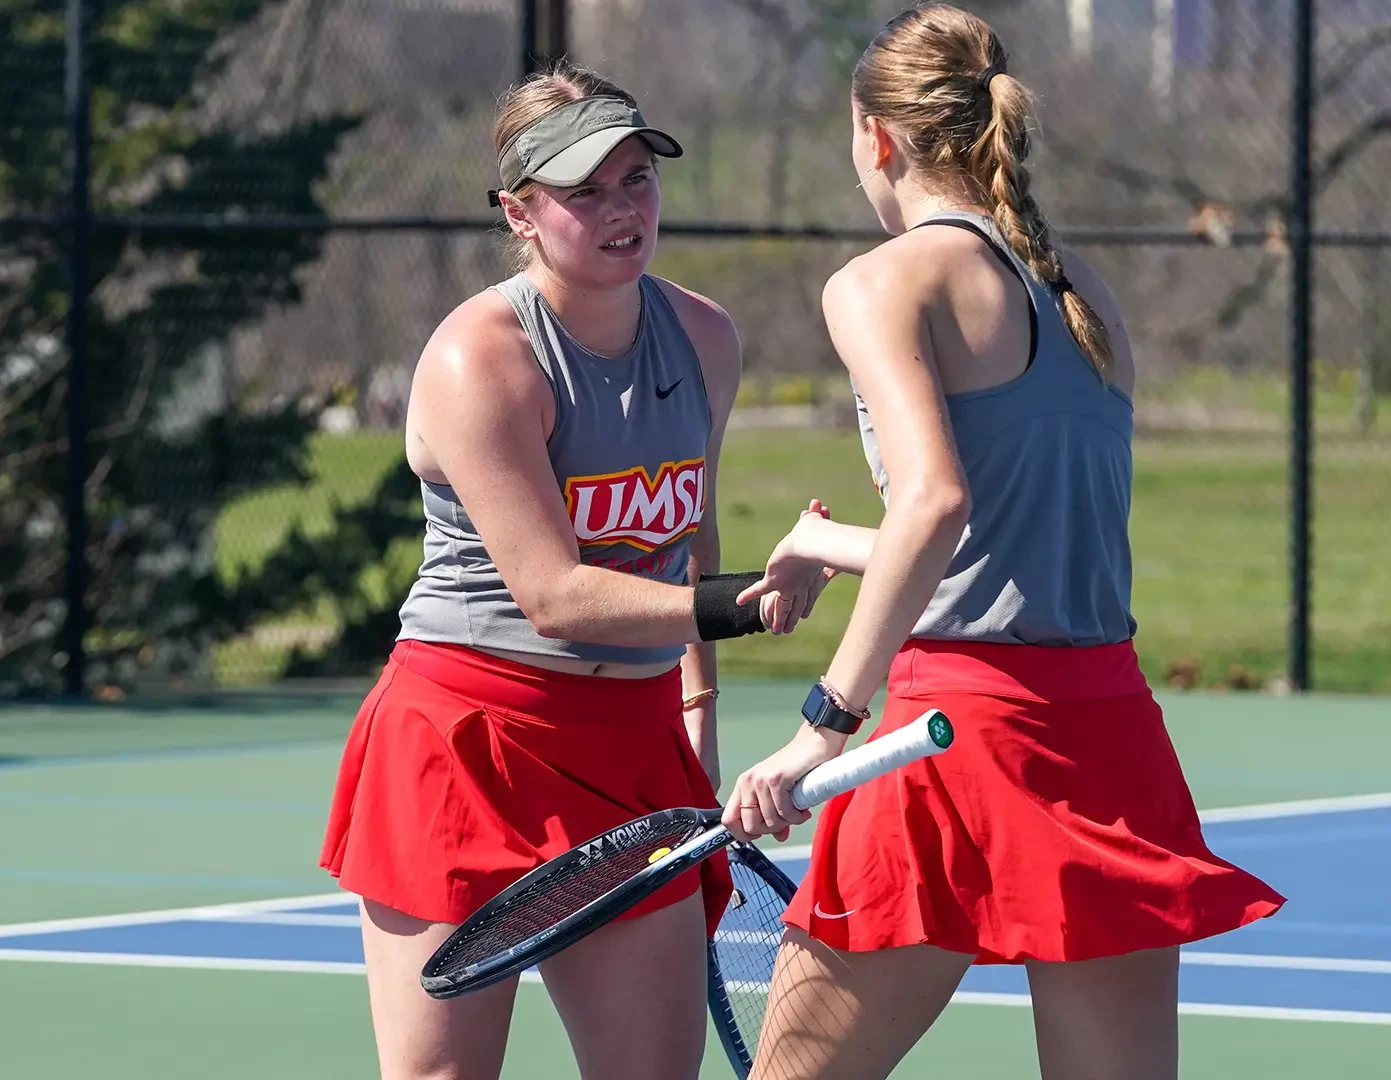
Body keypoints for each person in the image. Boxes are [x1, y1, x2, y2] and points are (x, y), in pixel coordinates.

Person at [721, 6, 1287, 1079]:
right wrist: (828, 548)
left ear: (874, 136)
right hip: (1106, 733)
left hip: (952, 736)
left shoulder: (881, 282)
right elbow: (1012, 534)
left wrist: (820, 728)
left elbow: (938, 506)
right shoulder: (1084, 291)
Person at [319, 64, 820, 1080]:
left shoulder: (705, 337)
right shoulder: (480, 359)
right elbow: (553, 595)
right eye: (583, 191)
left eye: (636, 179)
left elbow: (691, 521)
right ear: (520, 211)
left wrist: (698, 703)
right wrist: (736, 609)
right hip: (468, 744)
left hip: (632, 751)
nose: (621, 208)